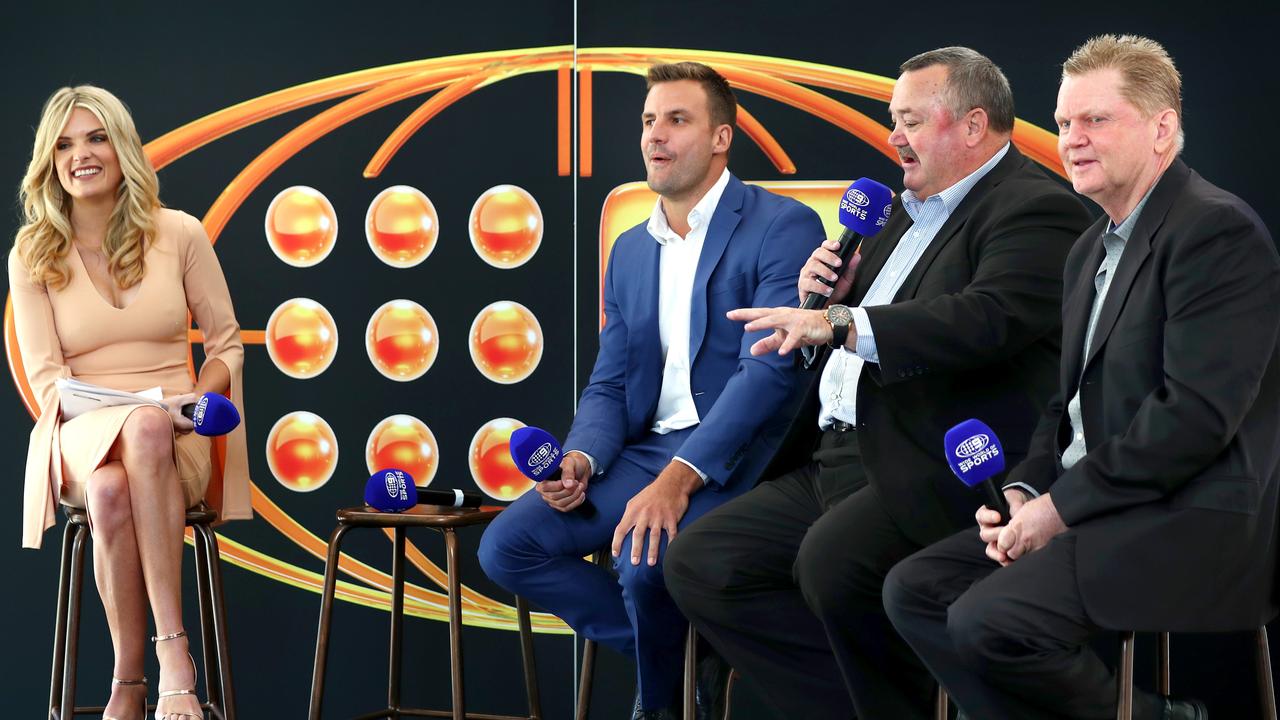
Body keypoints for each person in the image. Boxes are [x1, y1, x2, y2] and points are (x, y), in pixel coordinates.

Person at [664, 47, 1092, 719]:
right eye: (894, 120)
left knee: (831, 565)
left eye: (912, 121)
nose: (894, 137)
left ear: (974, 126)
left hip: (931, 463)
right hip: (839, 456)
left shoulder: (1036, 208)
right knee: (703, 561)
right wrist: (827, 300)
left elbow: (982, 319)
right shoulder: (899, 210)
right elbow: (855, 330)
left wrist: (837, 319)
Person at [883, 35, 1280, 720]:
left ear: (1162, 128)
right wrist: (1023, 489)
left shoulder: (1216, 232)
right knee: (914, 590)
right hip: (1099, 506)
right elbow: (1063, 413)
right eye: (1065, 122)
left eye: (1096, 120)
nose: (1071, 139)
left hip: (1191, 519)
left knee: (987, 620)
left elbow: (1192, 419)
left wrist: (1057, 510)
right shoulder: (1090, 247)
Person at [477, 61, 821, 719]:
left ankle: (662, 703)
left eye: (676, 120)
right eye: (647, 121)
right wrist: (583, 459)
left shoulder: (784, 226)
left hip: (734, 456)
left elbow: (770, 373)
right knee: (507, 546)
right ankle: (692, 652)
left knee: (641, 563)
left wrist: (682, 476)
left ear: (721, 137)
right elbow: (610, 380)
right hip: (639, 455)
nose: (654, 136)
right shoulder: (631, 250)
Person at [9, 86, 251, 720]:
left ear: (122, 148)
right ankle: (176, 656)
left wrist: (197, 403)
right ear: (49, 162)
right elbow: (47, 384)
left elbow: (227, 345)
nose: (80, 155)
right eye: (63, 145)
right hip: (81, 432)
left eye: (95, 138)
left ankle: (130, 680)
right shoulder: (32, 255)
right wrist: (136, 412)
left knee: (123, 476)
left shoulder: (180, 233)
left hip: (179, 438)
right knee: (136, 432)